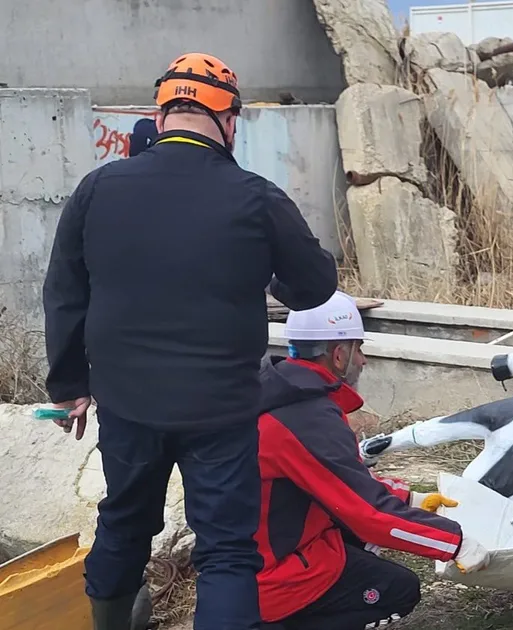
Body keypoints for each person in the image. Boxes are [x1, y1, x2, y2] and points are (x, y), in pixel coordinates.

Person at [42, 52, 339, 630]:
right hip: (221, 408)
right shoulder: (256, 196)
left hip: (127, 402)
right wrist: (270, 274)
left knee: (124, 524)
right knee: (227, 549)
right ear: (229, 119)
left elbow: (64, 293)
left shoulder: (98, 187)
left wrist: (70, 385)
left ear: (162, 113)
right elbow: (315, 287)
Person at [256, 292, 486, 630]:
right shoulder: (306, 417)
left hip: (257, 555)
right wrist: (454, 543)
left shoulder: (284, 394)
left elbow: (341, 479)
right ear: (339, 355)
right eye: (359, 349)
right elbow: (368, 514)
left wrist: (410, 499)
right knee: (398, 589)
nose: (362, 361)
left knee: (363, 541)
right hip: (272, 578)